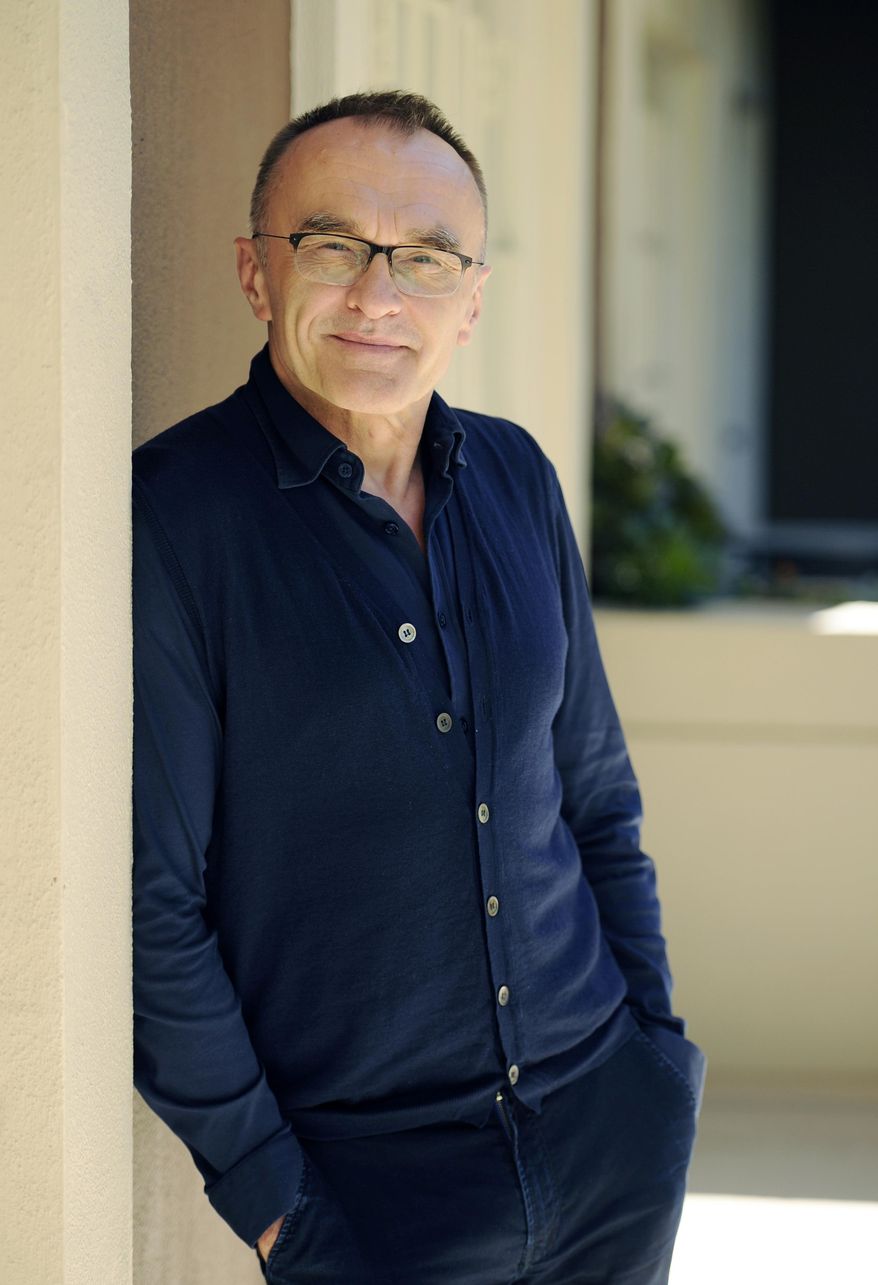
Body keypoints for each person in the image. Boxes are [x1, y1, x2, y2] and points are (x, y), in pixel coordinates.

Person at [132, 89, 705, 1284]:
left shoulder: (515, 473)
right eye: (331, 246)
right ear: (255, 272)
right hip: (368, 1199)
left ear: (472, 295)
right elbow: (146, 905)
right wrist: (278, 1200)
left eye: (425, 258)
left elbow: (592, 789)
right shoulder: (170, 521)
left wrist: (656, 1062)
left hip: (609, 1135)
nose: (377, 296)